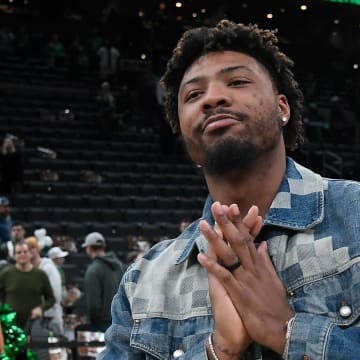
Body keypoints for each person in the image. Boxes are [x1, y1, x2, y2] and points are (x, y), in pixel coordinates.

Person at [99, 19, 360, 360]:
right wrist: (215, 352)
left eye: (236, 82)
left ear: (283, 108)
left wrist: (289, 333)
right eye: (194, 95)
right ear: (182, 131)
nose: (213, 98)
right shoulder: (143, 282)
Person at [0, 242, 55, 330]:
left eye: (25, 252)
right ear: (14, 256)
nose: (22, 254)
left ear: (30, 254)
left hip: (33, 324)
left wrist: (41, 308)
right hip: (10, 324)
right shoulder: (6, 274)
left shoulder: (40, 275)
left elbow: (51, 299)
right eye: (18, 252)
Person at [82, 232, 124, 332]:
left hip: (100, 325)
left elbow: (93, 305)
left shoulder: (93, 270)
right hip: (119, 321)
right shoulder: (119, 266)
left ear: (89, 248)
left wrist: (93, 322)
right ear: (103, 246)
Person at [26, 236, 63, 336]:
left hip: (50, 318)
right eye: (27, 249)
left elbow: (55, 296)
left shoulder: (49, 268)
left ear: (37, 249)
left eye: (32, 247)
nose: (30, 251)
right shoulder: (28, 270)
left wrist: (40, 308)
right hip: (34, 319)